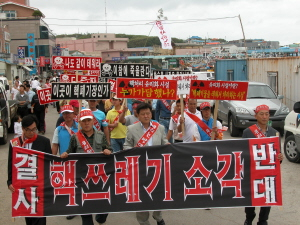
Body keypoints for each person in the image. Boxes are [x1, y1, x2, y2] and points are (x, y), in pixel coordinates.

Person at [61, 109, 112, 225]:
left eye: (89, 120)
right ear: (79, 122)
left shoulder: (101, 135)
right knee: (85, 210)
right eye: (84, 121)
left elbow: (110, 149)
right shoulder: (75, 137)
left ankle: (101, 217)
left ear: (93, 121)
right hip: (82, 178)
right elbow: (70, 152)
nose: (87, 123)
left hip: (99, 178)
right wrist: (65, 154)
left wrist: (107, 150)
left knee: (104, 208)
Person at [124, 103, 168, 225]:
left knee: (159, 194)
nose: (146, 116)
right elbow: (126, 145)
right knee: (142, 196)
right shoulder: (132, 129)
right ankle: (143, 221)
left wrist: (168, 146)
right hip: (140, 168)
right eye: (143, 114)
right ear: (138, 115)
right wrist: (132, 151)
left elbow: (164, 143)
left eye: (148, 113)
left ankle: (158, 216)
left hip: (157, 167)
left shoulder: (159, 127)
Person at [243, 104, 283, 225]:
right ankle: (249, 217)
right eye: (261, 114)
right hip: (252, 171)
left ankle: (263, 220)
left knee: (268, 196)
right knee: (250, 197)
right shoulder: (247, 132)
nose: (264, 117)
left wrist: (280, 158)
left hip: (268, 172)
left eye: (267, 114)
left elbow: (278, 157)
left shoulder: (275, 133)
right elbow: (242, 153)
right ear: (256, 116)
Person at [7, 114, 51, 225]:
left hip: (39, 187)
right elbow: (11, 163)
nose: (32, 132)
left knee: (40, 218)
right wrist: (10, 182)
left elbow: (49, 164)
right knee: (29, 217)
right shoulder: (15, 143)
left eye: (34, 129)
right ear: (22, 128)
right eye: (28, 130)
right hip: (24, 187)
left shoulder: (44, 142)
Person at [51, 104, 78, 220]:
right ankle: (71, 209)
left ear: (73, 114)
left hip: (79, 160)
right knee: (68, 185)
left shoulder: (80, 127)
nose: (67, 115)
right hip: (65, 161)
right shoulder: (59, 129)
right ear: (62, 115)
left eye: (69, 113)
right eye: (65, 113)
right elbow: (55, 145)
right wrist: (52, 160)